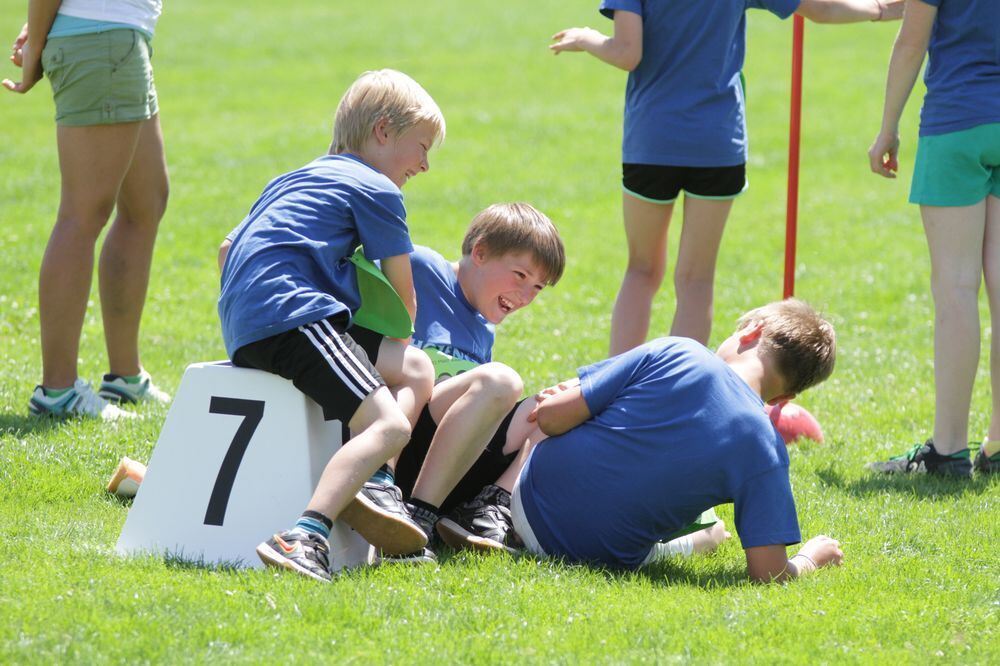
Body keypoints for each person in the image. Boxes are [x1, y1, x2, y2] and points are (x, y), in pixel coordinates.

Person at [550, 0, 902, 356]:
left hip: (653, 141)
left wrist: (585, 37)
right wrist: (881, 8)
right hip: (717, 143)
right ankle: (677, 396)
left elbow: (627, 52)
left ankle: (615, 394)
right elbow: (820, 9)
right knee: (696, 280)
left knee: (641, 271)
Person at [218, 69, 444, 582]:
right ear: (384, 132)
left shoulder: (295, 177)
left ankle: (378, 485)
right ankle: (306, 534)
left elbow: (227, 248)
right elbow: (403, 298)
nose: (426, 165)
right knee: (389, 424)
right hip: (296, 315)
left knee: (414, 369)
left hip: (247, 322)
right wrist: (392, 333)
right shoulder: (378, 189)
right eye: (422, 147)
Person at [506, 300, 842, 583]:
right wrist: (810, 558)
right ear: (784, 396)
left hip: (526, 504)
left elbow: (549, 417)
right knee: (707, 530)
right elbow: (768, 573)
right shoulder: (765, 446)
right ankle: (703, 539)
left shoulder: (679, 350)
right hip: (600, 555)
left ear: (750, 331)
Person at [6, 0, 173, 419]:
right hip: (103, 41)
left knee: (145, 203)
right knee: (82, 215)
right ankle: (58, 390)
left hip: (119, 38)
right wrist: (39, 44)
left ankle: (125, 377)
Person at [866, 1, 1000, 478]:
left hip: (958, 122)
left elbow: (911, 43)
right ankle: (998, 443)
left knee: (956, 290)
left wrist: (886, 129)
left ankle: (948, 452)